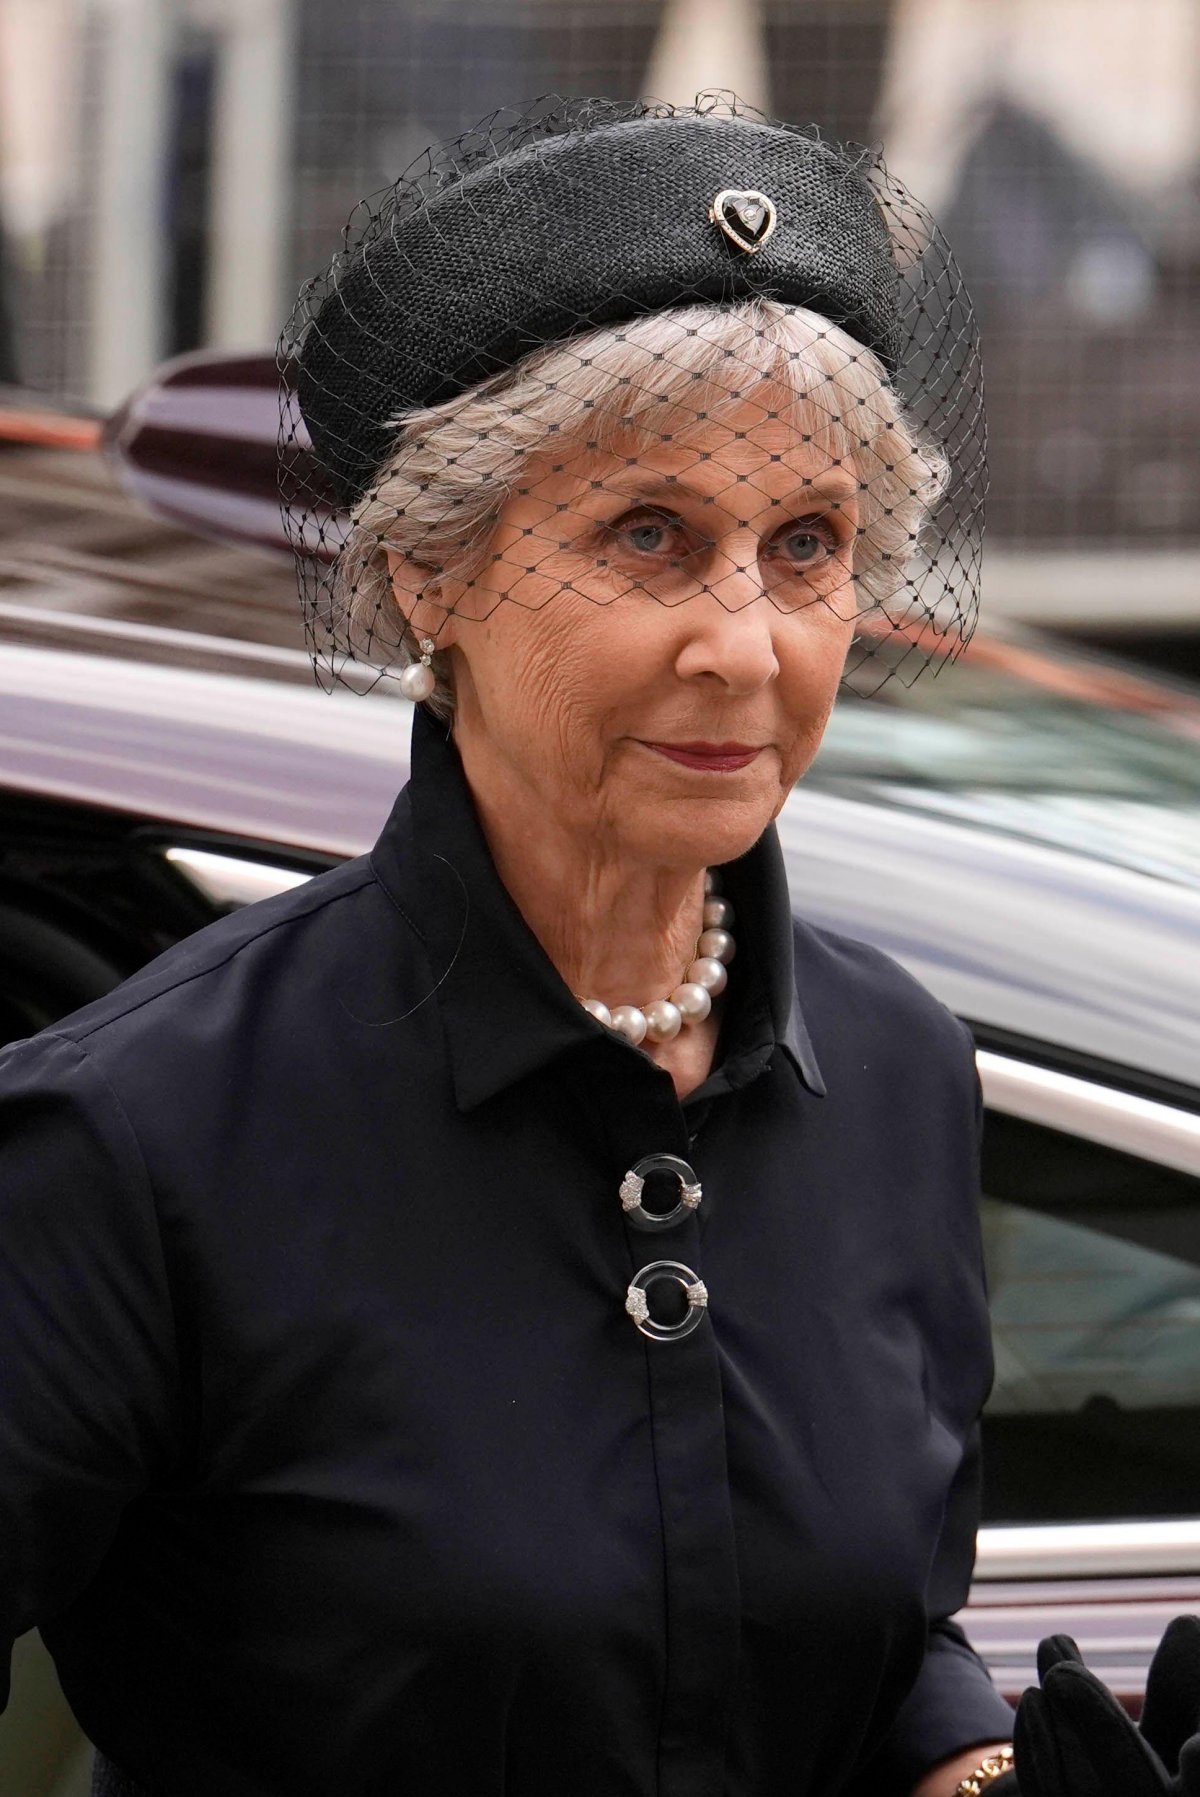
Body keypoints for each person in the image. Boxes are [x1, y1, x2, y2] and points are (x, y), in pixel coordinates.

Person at [0, 92, 1057, 1797]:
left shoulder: (900, 1070)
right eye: (650, 536)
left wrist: (959, 1755)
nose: (746, 643)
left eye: (808, 548)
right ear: (431, 574)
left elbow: (885, 1620)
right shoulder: (138, 1139)